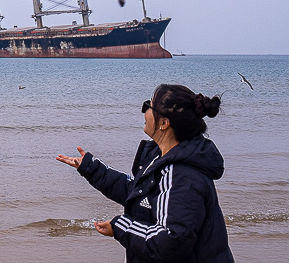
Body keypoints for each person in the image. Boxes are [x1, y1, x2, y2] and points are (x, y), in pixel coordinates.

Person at [56, 84, 234, 262]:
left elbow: (170, 241)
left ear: (164, 123)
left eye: (150, 105)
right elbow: (139, 194)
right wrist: (91, 168)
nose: (145, 109)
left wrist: (120, 226)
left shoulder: (180, 175)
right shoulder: (163, 157)